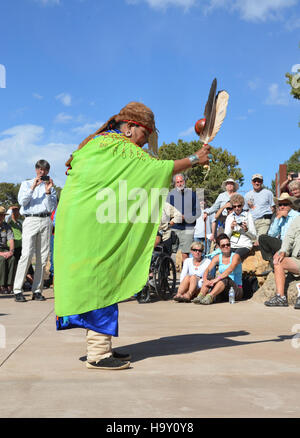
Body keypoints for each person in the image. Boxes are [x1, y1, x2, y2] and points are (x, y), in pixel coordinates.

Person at [54, 101, 211, 371]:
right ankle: (99, 354)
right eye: (144, 135)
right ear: (129, 127)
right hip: (95, 227)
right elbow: (156, 170)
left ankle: (100, 345)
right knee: (102, 282)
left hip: (80, 224)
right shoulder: (119, 149)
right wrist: (195, 159)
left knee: (96, 281)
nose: (144, 142)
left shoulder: (96, 145)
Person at [13, 160, 57, 302]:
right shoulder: (26, 184)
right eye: (40, 170)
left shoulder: (50, 186)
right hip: (30, 219)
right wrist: (33, 187)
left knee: (43, 258)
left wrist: (48, 191)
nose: (42, 172)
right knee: (26, 255)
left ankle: (37, 290)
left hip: (45, 220)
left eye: (45, 170)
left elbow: (51, 208)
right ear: (36, 170)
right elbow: (22, 202)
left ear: (48, 171)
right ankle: (17, 290)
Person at [193, 233, 243, 305]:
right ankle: (200, 296)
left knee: (225, 278)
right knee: (210, 277)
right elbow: (207, 270)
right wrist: (205, 279)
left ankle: (210, 297)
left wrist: (216, 279)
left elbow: (229, 270)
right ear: (219, 247)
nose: (226, 247)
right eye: (223, 245)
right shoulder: (217, 257)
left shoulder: (236, 256)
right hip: (223, 290)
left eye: (228, 244)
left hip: (236, 291)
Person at [264, 215, 300, 308]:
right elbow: (289, 237)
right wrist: (283, 251)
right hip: (297, 259)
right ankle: (280, 297)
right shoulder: (298, 219)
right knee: (278, 262)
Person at [258, 193, 299, 271]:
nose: (282, 207)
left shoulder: (296, 216)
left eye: (285, 204)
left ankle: (276, 264)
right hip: (282, 243)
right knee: (262, 238)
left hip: (292, 245)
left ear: (290, 205)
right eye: (280, 205)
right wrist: (277, 218)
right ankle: (271, 262)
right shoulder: (280, 217)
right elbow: (271, 234)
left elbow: (294, 236)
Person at [166, 174, 201, 263]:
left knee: (185, 254)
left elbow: (197, 212)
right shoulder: (170, 195)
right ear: (175, 184)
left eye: (181, 181)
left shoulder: (192, 195)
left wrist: (185, 217)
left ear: (184, 182)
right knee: (170, 251)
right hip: (174, 227)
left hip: (188, 228)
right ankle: (168, 272)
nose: (180, 184)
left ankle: (186, 275)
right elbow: (166, 211)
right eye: (177, 182)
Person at [5, 205, 35, 289]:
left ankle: (32, 281)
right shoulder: (9, 222)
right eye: (14, 211)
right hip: (15, 247)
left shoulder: (19, 222)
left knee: (28, 263)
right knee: (23, 264)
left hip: (22, 246)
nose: (16, 212)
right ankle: (31, 282)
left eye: (17, 210)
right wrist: (10, 209)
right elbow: (7, 218)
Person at [224, 194, 256, 261]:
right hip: (232, 245)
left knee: (235, 257)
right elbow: (226, 236)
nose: (237, 208)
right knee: (220, 257)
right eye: (234, 206)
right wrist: (231, 228)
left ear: (242, 205)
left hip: (245, 244)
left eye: (239, 206)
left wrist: (246, 230)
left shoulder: (248, 215)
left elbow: (254, 236)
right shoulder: (229, 217)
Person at [244, 173, 274, 241]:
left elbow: (273, 207)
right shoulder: (247, 195)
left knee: (260, 240)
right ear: (252, 182)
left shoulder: (268, 193)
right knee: (251, 241)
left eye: (259, 181)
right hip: (251, 222)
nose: (257, 183)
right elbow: (245, 210)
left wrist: (269, 219)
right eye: (255, 181)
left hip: (264, 221)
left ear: (262, 182)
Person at [0, 206, 16, 294]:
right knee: (2, 260)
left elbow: (11, 240)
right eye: (0, 215)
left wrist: (11, 251)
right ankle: (2, 285)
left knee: (12, 259)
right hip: (0, 252)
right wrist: (1, 253)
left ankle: (10, 285)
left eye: (2, 215)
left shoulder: (6, 226)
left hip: (5, 249)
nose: (1, 217)